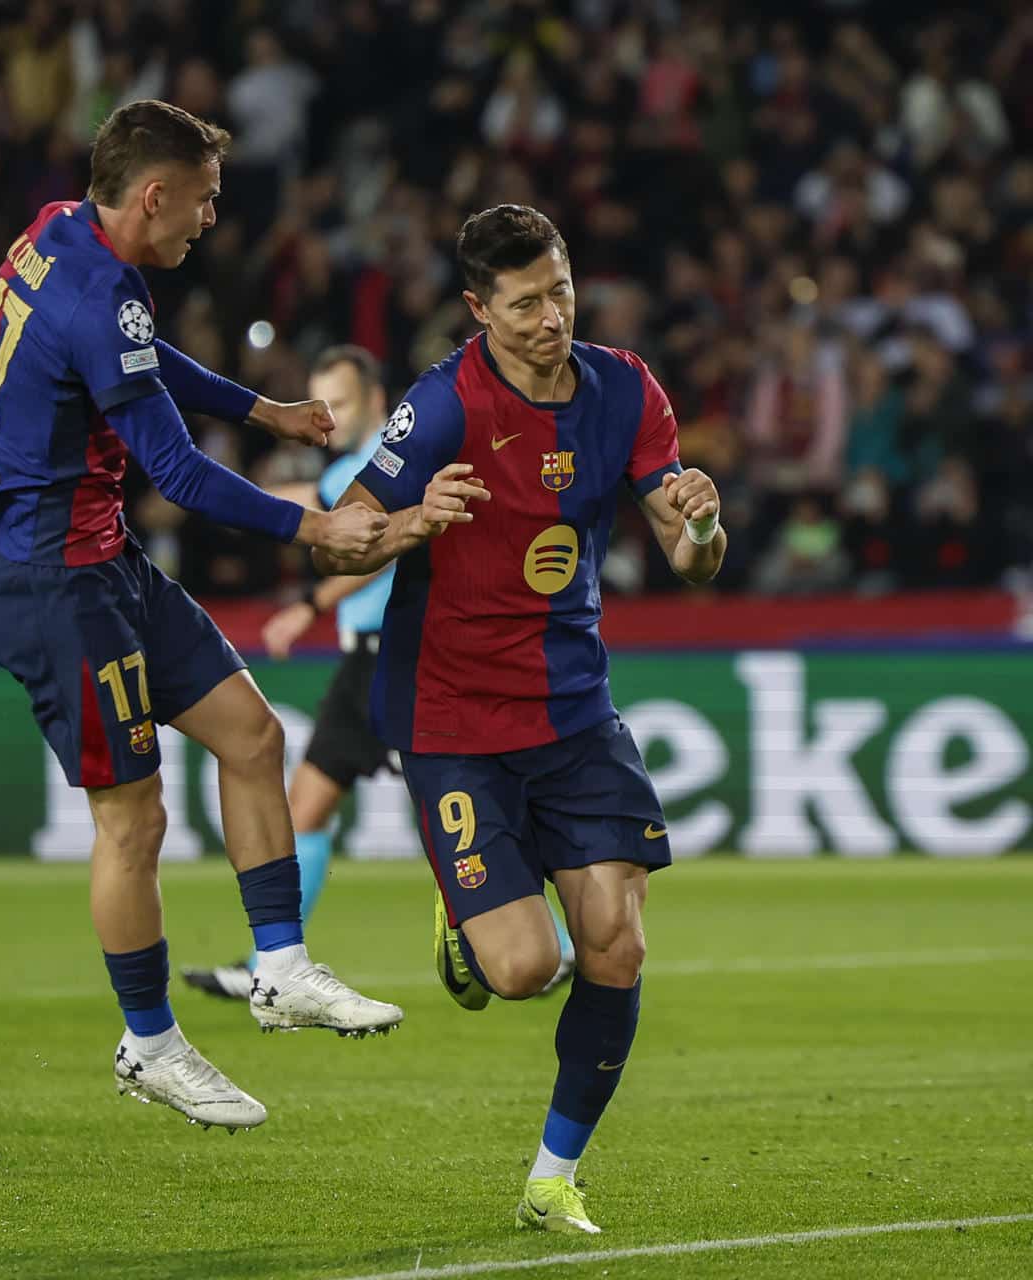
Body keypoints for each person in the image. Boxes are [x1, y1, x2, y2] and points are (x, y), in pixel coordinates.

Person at [0, 98, 405, 1134]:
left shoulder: (58, 229)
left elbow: (138, 354)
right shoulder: (108, 293)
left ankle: (278, 967)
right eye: (201, 201)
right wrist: (314, 530)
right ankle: (150, 1041)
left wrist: (263, 408)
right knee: (134, 816)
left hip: (100, 557)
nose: (209, 219)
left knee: (252, 733)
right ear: (153, 194)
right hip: (54, 580)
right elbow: (176, 472)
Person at [318, 205, 725, 1233]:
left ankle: (551, 1175)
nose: (551, 317)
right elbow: (335, 537)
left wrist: (703, 527)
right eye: (524, 303)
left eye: (561, 290)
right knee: (521, 967)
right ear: (477, 308)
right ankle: (468, 915)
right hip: (453, 716)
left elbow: (691, 558)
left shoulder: (625, 387)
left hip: (576, 712)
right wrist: (411, 521)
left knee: (617, 947)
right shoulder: (446, 402)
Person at [181, 343, 577, 1001]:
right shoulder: (362, 469)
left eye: (338, 403)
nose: (329, 418)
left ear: (373, 398)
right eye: (321, 405)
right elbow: (307, 497)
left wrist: (306, 604)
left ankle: (552, 945)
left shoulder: (386, 464)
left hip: (394, 654)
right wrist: (195, 486)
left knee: (445, 819)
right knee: (323, 806)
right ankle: (269, 960)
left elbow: (372, 543)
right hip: (380, 656)